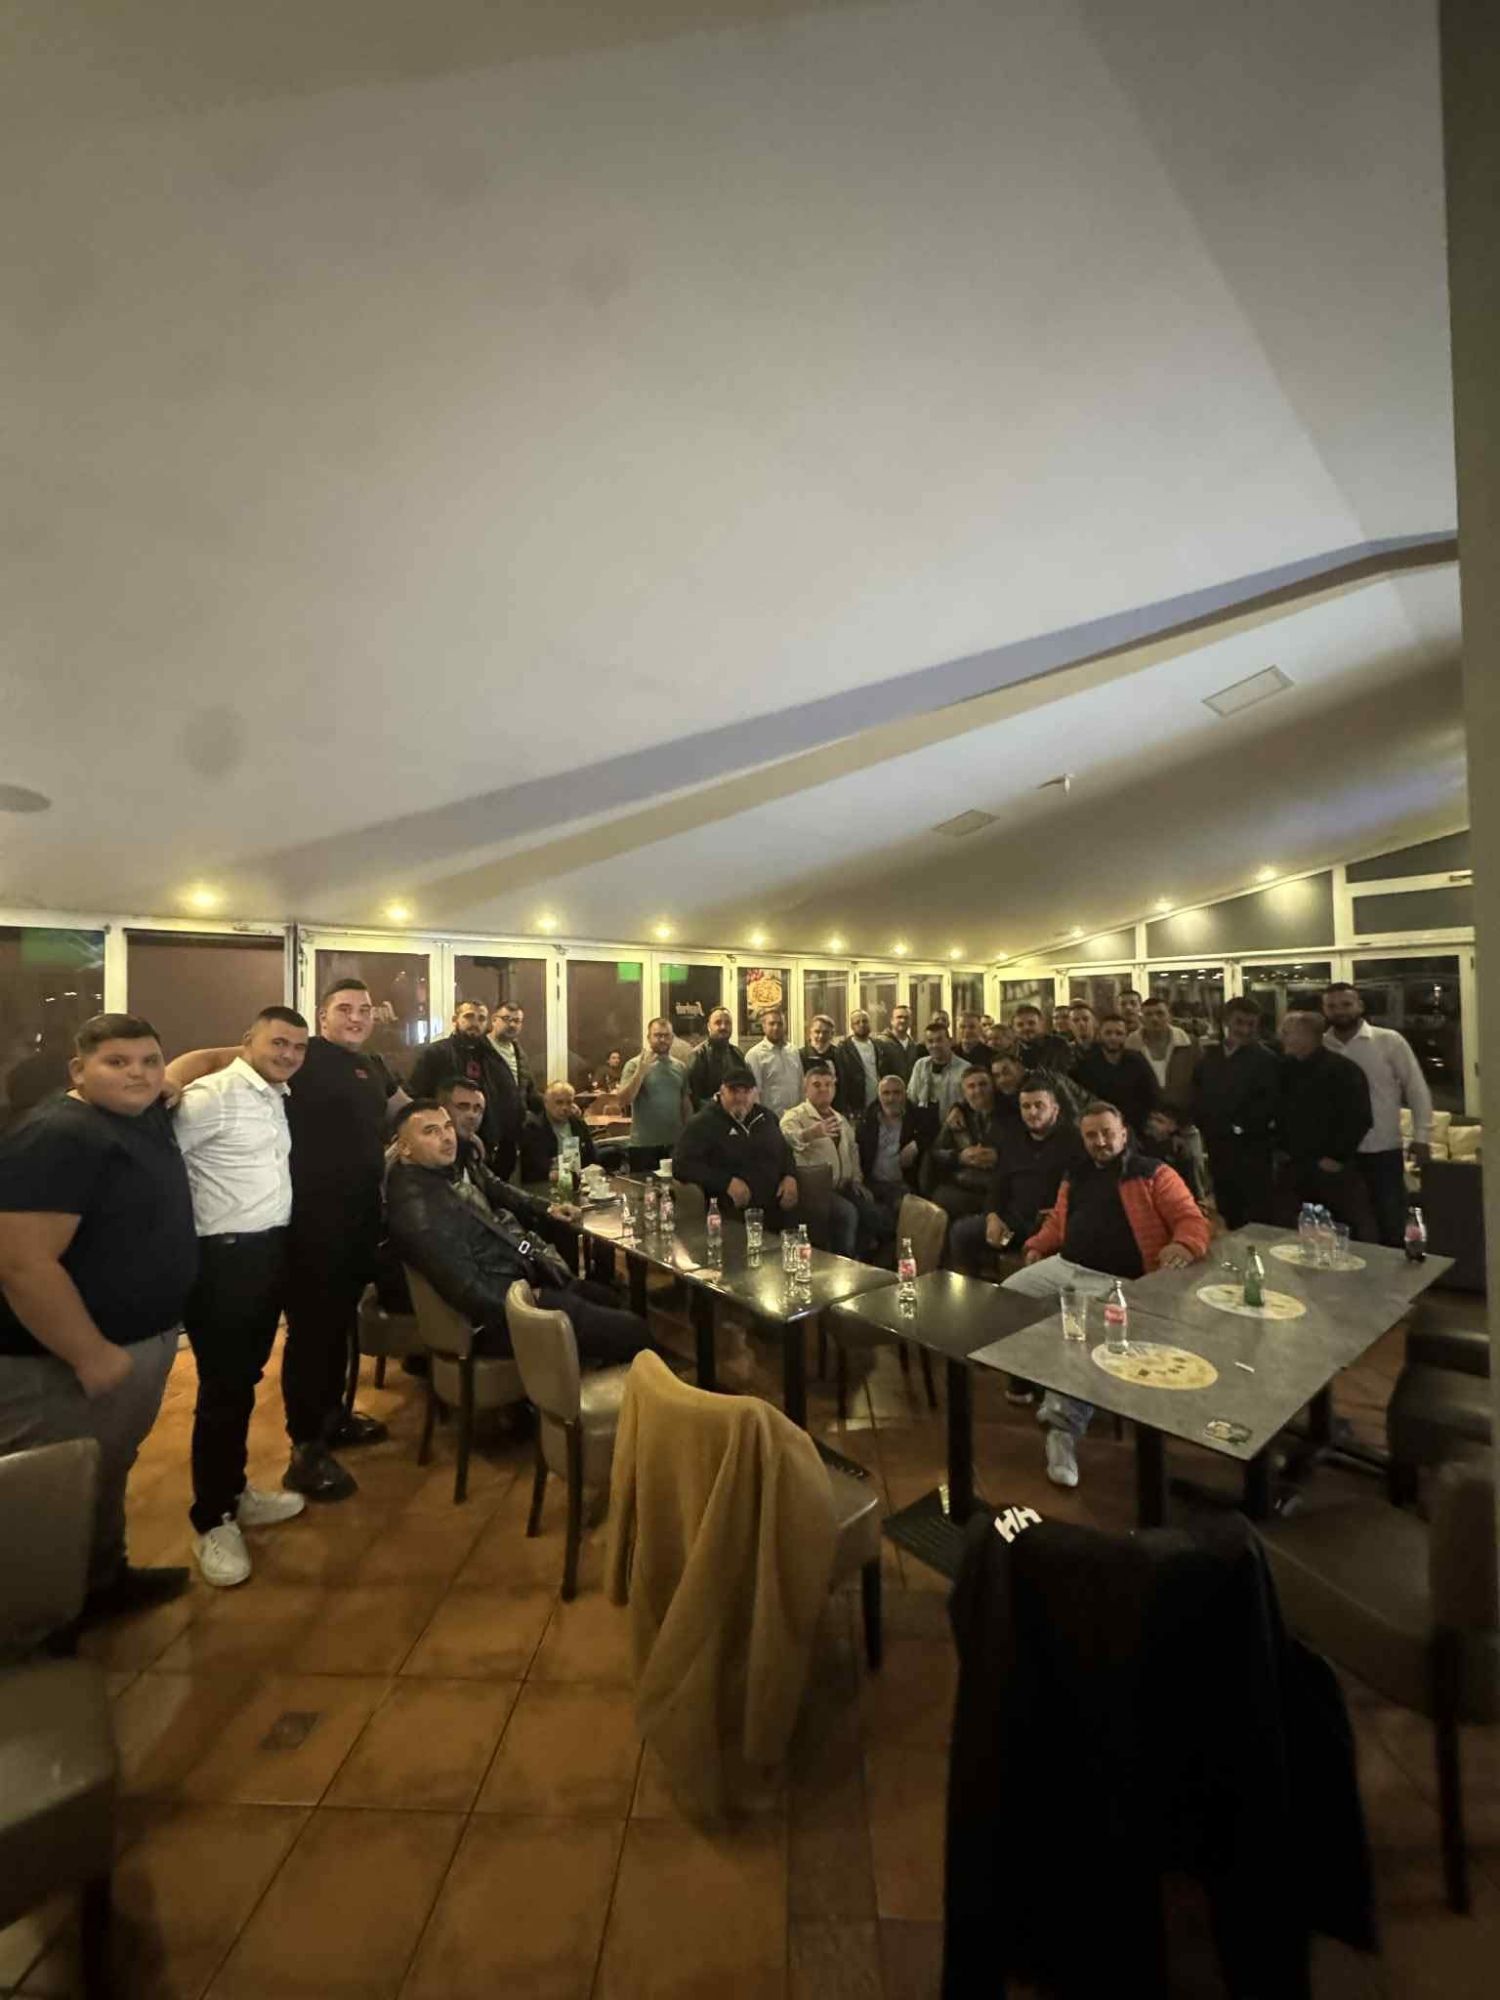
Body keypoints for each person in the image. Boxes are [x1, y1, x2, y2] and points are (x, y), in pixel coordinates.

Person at [170, 977, 405, 1503]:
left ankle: (332, 1417)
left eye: (365, 1009)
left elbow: (402, 1110)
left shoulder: (372, 1066)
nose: (356, 1017)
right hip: (308, 1229)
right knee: (311, 1337)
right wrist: (169, 1077)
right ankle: (306, 1447)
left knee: (337, 1329)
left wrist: (446, 1126)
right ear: (323, 1016)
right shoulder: (303, 1054)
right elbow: (215, 1058)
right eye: (344, 1008)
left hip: (357, 1223)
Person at [0, 1014, 198, 1616]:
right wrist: (89, 1354)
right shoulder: (59, 1136)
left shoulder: (137, 1116)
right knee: (50, 1491)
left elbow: (204, 1062)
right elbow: (21, 1262)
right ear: (77, 1070)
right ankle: (39, 1629)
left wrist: (171, 1080)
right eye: (117, 1062)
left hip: (134, 1344)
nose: (138, 1073)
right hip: (63, 1362)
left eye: (149, 1061)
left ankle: (101, 1583)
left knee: (104, 1470)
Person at [174, 1006, 312, 1588]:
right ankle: (212, 1519)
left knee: (243, 1380)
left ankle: (233, 1492)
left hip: (265, 1253)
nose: (288, 1055)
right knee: (223, 1389)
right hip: (223, 1259)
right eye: (278, 1043)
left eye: (298, 1048)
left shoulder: (273, 1096)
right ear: (247, 1041)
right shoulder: (212, 1095)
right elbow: (161, 1160)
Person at [1004, 1102, 1210, 1487]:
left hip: (1117, 1281)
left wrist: (1183, 1244)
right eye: (1091, 1135)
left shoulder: (1153, 1173)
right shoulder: (1077, 1174)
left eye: (1106, 1133)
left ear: (1123, 1133)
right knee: (1005, 1300)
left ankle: (1062, 1428)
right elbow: (1059, 1222)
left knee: (1083, 1340)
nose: (1100, 1142)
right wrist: (1037, 1245)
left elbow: (1191, 1219)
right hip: (1066, 1266)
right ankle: (1032, 1378)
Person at [387, 1103, 656, 1367]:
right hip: (502, 1317)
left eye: (447, 1127)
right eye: (431, 1131)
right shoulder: (421, 1212)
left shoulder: (437, 1177)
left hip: (515, 1279)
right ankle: (607, 1387)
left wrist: (545, 1213)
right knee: (635, 1331)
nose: (446, 1137)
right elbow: (470, 1292)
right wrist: (528, 1300)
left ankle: (596, 1367)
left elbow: (497, 1191)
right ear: (405, 1147)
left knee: (609, 1299)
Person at [1321, 981, 1434, 1246]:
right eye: (1332, 1006)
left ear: (1360, 1006)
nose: (1340, 1011)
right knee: (1345, 1227)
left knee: (1390, 1223)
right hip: (1338, 1152)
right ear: (1324, 1010)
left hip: (1382, 1147)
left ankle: (1396, 1273)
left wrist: (1422, 1137)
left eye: (1346, 1004)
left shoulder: (1389, 1041)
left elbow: (1416, 1088)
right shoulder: (1322, 1045)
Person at [950, 1074, 1081, 1286]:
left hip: (1050, 1224)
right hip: (1014, 1223)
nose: (1032, 1112)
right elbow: (998, 1183)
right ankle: (971, 1295)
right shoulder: (1013, 1138)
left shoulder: (1074, 1141)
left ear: (1055, 1109)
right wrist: (993, 1216)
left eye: (1039, 1105)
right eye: (1026, 1106)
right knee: (962, 1232)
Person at [1275, 1012, 1376, 1237]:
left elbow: (1359, 1117)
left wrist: (1337, 1157)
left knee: (1339, 1230)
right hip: (1292, 1167)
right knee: (1291, 1232)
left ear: (1306, 1036)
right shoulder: (1285, 1069)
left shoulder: (1343, 1070)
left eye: (1287, 1033)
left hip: (1329, 1169)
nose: (1282, 1038)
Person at [673, 1067, 804, 1228]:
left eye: (746, 1091)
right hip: (731, 1214)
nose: (740, 1098)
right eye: (734, 1091)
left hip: (777, 1209)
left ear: (755, 1093)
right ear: (722, 1091)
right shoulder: (703, 1123)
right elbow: (681, 1165)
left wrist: (790, 1175)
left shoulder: (767, 1117)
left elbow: (785, 1151)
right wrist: (726, 1182)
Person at [781, 1064, 890, 1257]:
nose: (823, 1089)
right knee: (847, 1213)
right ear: (805, 1089)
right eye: (817, 1085)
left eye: (828, 1084)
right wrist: (810, 1134)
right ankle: (842, 1263)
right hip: (814, 1189)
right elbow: (785, 1140)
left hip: (844, 1185)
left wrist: (856, 1179)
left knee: (872, 1212)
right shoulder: (794, 1116)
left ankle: (862, 1261)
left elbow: (853, 1151)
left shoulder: (840, 1119)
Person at [409, 999, 527, 1175]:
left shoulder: (493, 1058)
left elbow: (509, 1099)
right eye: (469, 1016)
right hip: (444, 1145)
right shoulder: (436, 1054)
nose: (475, 1023)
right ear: (455, 1020)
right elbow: (418, 1099)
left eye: (481, 1018)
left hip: (488, 1150)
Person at [1191, 996, 1280, 1227]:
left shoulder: (1266, 1059)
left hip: (1252, 1149)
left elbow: (1268, 1104)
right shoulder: (1209, 1056)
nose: (1245, 1029)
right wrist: (1205, 1124)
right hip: (1217, 1146)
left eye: (1251, 1024)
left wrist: (1237, 1127)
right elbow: (1198, 1095)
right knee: (1227, 1208)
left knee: (1258, 1213)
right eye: (1239, 1022)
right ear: (1225, 1020)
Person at [924, 1067, 1004, 1220]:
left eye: (983, 1084)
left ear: (993, 1087)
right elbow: (936, 1152)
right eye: (971, 1086)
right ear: (964, 1092)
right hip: (963, 1182)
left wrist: (998, 1156)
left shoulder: (1008, 1115)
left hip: (996, 1187)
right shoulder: (958, 1116)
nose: (978, 1090)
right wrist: (959, 1156)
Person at [618, 1018, 692, 1173]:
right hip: (643, 1146)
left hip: (674, 1144)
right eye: (658, 1035)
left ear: (672, 1038)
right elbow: (623, 1100)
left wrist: (688, 1137)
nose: (662, 1039)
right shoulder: (634, 1065)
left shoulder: (680, 1067)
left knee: (675, 1187)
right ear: (648, 1037)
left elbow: (685, 1104)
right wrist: (640, 1072)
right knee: (642, 1188)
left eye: (667, 1035)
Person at [1072, 1013, 1158, 1136]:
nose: (1113, 1038)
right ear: (1099, 1035)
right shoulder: (1087, 1064)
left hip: (1135, 1126)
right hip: (1099, 1126)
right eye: (1108, 1033)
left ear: (1126, 1036)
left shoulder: (1137, 1060)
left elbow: (1152, 1094)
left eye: (1119, 1033)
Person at [857, 1074, 925, 1219]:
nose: (891, 1098)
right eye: (886, 1093)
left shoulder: (918, 1118)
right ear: (879, 1096)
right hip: (871, 1183)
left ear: (905, 1094)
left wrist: (916, 1144)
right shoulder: (867, 1120)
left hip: (902, 1185)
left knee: (906, 1212)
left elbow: (933, 1133)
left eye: (896, 1093)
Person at [518, 1078, 600, 1183]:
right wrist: (557, 1175)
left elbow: (592, 1158)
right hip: (545, 1184)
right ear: (546, 1103)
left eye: (569, 1103)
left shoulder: (578, 1124)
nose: (565, 1108)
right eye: (559, 1102)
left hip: (579, 1181)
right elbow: (532, 1170)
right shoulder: (534, 1128)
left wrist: (594, 1169)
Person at [744, 1006, 806, 1117]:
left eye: (780, 1024)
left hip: (795, 1118)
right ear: (764, 1026)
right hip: (770, 1119)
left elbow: (801, 1085)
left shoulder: (793, 1051)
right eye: (772, 1024)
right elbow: (754, 1093)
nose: (776, 1027)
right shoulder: (754, 1055)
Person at [907, 1019, 972, 1120]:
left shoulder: (965, 1068)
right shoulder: (920, 1065)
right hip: (923, 1124)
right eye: (930, 1041)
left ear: (950, 1041)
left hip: (952, 1124)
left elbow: (970, 1102)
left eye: (939, 1040)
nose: (935, 1045)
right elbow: (912, 1098)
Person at [686, 1007, 744, 1109]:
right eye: (718, 1022)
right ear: (709, 1027)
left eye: (727, 1023)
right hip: (708, 1115)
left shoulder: (737, 1054)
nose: (723, 1027)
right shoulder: (699, 1055)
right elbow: (692, 1097)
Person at [834, 1007, 887, 1117]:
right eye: (857, 1022)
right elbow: (842, 1080)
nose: (861, 1024)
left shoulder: (879, 1046)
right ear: (852, 1026)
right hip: (856, 1107)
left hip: (879, 1103)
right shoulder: (844, 1049)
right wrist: (845, 1108)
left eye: (865, 1021)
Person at [1012, 1004, 1071, 1074]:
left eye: (1031, 1023)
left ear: (1041, 1024)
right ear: (1014, 1028)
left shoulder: (1058, 1045)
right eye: (1020, 1025)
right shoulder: (1012, 1051)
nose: (1026, 1028)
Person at [879, 1004, 924, 1082]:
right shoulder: (880, 1043)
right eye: (899, 1017)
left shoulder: (914, 1046)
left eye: (906, 1018)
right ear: (892, 1021)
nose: (903, 1020)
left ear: (910, 1021)